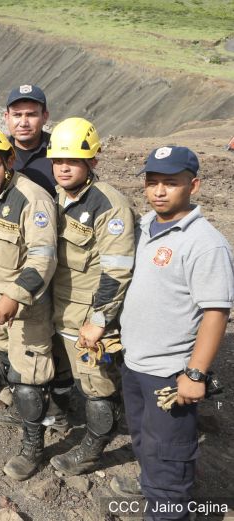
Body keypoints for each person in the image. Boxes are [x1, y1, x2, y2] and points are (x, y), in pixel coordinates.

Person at [115, 146, 233, 518]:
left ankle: (167, 508)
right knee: (144, 439)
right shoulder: (145, 226)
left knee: (170, 452)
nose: (159, 191)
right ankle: (153, 487)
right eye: (152, 183)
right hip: (135, 363)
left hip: (170, 372)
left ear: (193, 186)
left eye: (171, 183)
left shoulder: (205, 243)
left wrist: (195, 373)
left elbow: (216, 311)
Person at [41, 118, 136, 476]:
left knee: (98, 387)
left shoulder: (109, 206)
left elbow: (116, 272)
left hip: (88, 316)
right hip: (58, 309)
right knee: (65, 374)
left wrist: (99, 321)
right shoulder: (54, 198)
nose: (64, 167)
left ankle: (93, 449)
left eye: (74, 160)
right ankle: (65, 415)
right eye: (58, 160)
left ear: (92, 162)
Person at [0, 127, 57, 481]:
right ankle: (22, 409)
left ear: (8, 161)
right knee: (4, 362)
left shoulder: (32, 199)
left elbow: (42, 258)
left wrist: (14, 296)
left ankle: (33, 446)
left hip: (25, 310)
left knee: (30, 378)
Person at [0, 84, 75, 430]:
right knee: (14, 337)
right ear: (6, 118)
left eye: (31, 114)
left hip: (57, 256)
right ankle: (21, 389)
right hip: (12, 261)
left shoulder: (59, 154)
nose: (24, 122)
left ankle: (57, 404)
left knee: (54, 334)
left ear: (45, 117)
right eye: (17, 114)